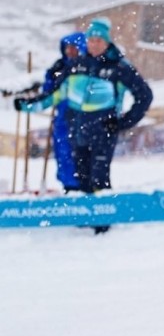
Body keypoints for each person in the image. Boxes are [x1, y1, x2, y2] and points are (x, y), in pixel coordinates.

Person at [20, 18, 153, 232]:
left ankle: (102, 222)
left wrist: (123, 122)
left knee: (99, 177)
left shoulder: (119, 67)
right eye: (91, 40)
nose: (94, 44)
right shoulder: (77, 65)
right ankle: (83, 217)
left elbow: (144, 96)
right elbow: (55, 94)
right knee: (81, 177)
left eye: (99, 40)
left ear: (107, 42)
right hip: (77, 130)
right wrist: (28, 106)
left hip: (103, 131)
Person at [11, 32, 87, 192]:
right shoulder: (59, 67)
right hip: (63, 118)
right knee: (63, 154)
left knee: (79, 156)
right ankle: (69, 187)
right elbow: (49, 92)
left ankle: (81, 189)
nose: (69, 51)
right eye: (67, 48)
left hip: (83, 120)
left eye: (73, 48)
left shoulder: (88, 67)